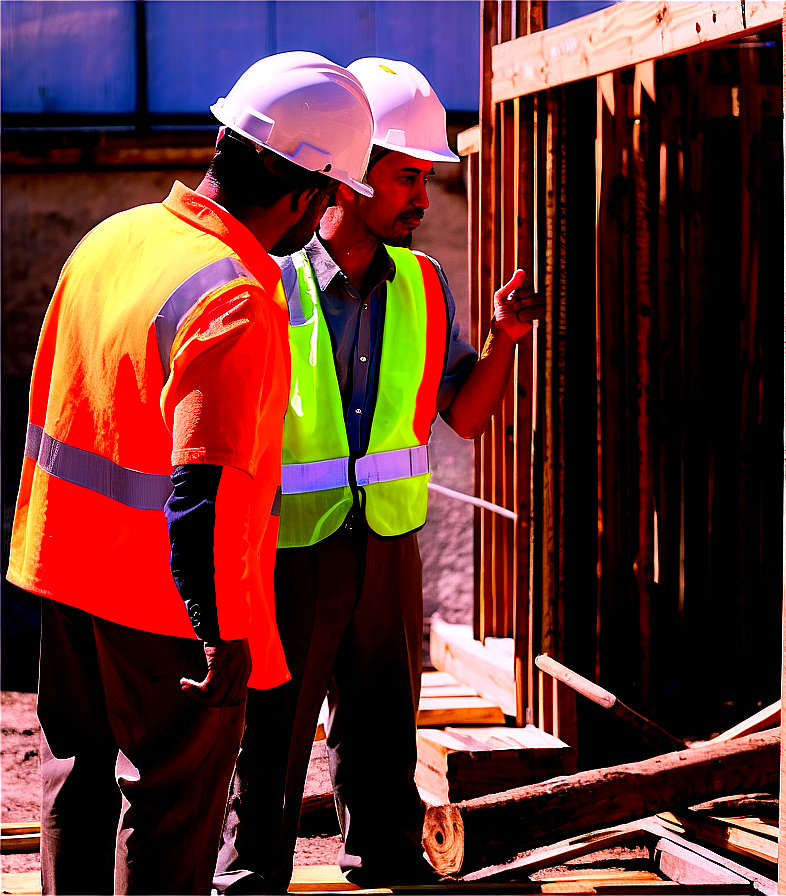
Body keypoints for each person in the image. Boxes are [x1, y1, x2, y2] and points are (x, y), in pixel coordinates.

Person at [5, 52, 374, 896]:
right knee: (172, 805)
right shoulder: (238, 294)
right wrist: (218, 630)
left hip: (65, 575)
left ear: (224, 138)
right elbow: (199, 486)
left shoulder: (113, 237)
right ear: (310, 195)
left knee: (78, 783)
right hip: (165, 609)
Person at [214, 58, 542, 893]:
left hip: (389, 548)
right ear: (353, 176)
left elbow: (463, 417)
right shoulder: (267, 280)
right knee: (272, 740)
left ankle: (389, 862)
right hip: (288, 550)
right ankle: (251, 878)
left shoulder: (425, 287)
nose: (424, 200)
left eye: (426, 181)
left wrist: (502, 340)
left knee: (385, 735)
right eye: (407, 178)